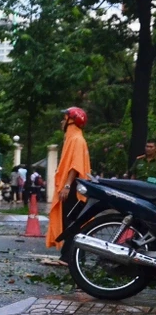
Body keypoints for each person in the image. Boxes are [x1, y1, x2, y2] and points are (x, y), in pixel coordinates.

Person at [45, 107, 91, 258]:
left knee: (71, 222)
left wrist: (66, 186)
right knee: (70, 221)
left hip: (73, 188)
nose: (62, 121)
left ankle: (70, 257)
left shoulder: (77, 140)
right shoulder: (72, 139)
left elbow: (75, 166)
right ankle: (70, 256)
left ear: (72, 122)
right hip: (73, 187)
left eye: (65, 119)